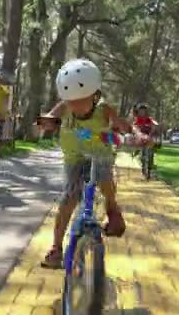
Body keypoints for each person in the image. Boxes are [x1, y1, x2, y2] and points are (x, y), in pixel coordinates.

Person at [37, 58, 133, 269]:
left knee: (106, 182)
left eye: (81, 101)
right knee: (69, 198)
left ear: (95, 95)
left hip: (100, 155)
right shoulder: (65, 107)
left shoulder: (103, 109)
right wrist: (46, 121)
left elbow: (119, 125)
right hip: (74, 158)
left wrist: (125, 129)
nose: (76, 106)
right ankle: (56, 248)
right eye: (71, 101)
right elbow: (50, 118)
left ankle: (113, 211)